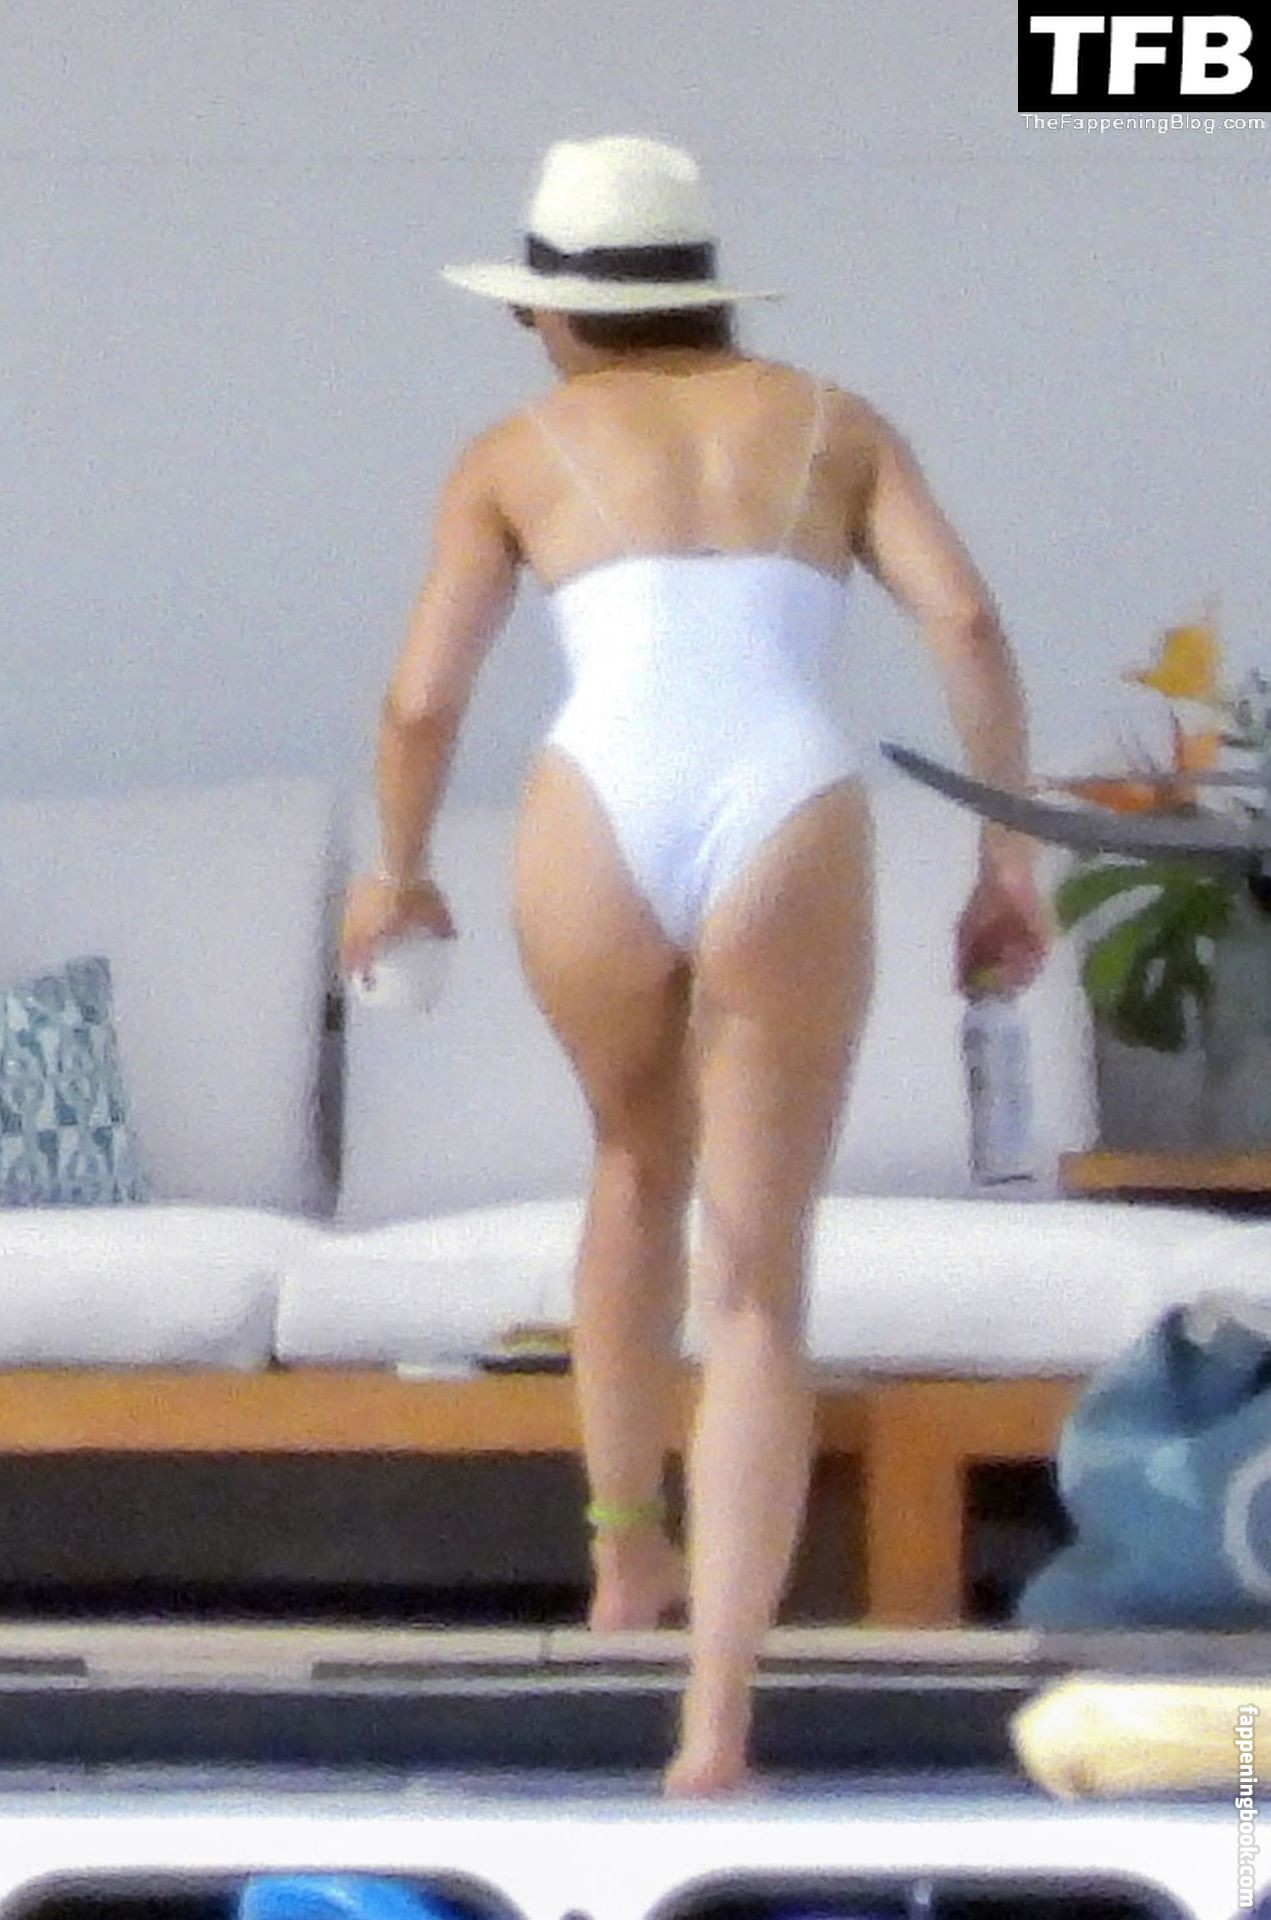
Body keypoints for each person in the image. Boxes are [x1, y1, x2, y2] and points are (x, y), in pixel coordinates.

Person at [339, 135, 1052, 1797]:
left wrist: (399, 874)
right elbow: (963, 623)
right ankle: (714, 1728)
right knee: (756, 1277)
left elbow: (424, 700)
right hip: (786, 807)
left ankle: (624, 1556)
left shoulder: (512, 451)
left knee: (629, 1166)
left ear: (554, 314)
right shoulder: (835, 422)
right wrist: (1007, 863)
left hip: (597, 806)